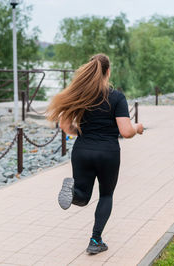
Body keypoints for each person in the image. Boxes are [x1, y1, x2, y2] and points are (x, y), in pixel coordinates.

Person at [45, 53, 144, 254]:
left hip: (82, 150)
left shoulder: (81, 95)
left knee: (83, 197)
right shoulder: (117, 97)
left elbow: (65, 125)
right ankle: (95, 240)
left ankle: (72, 192)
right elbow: (125, 131)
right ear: (108, 72)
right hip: (107, 152)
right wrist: (138, 127)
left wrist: (80, 132)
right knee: (106, 195)